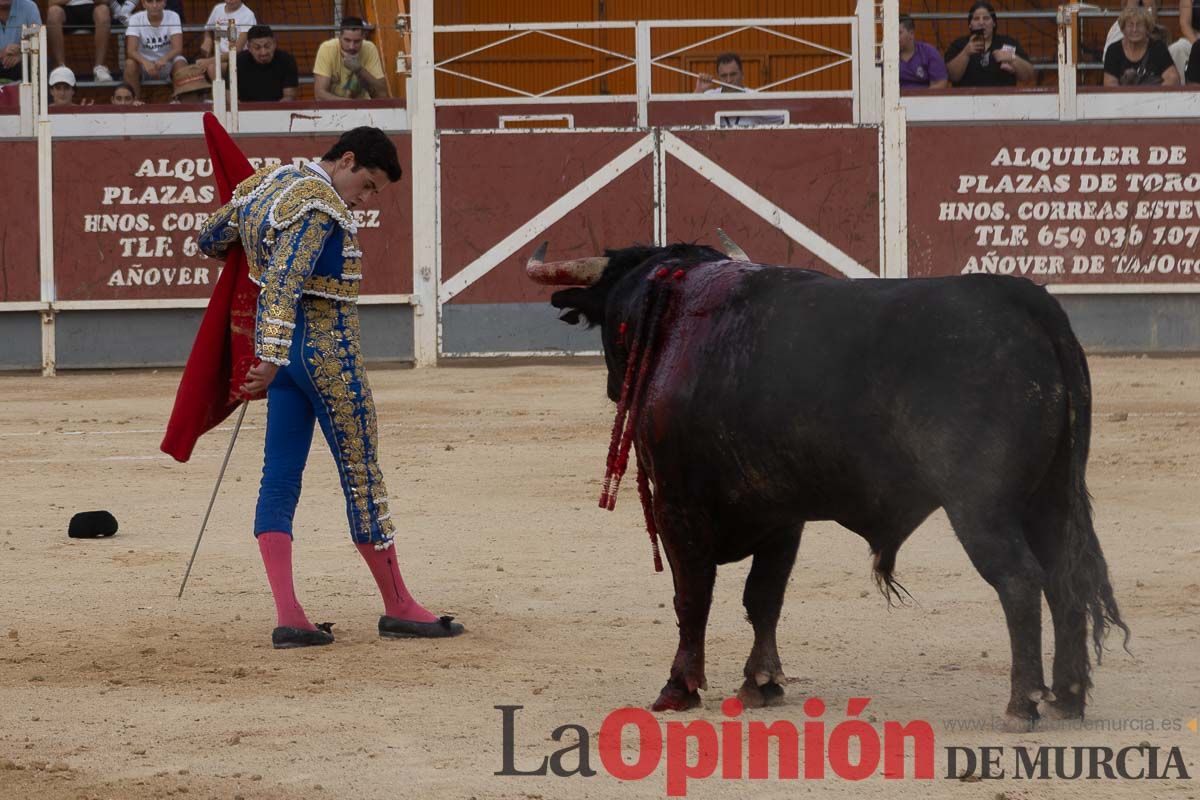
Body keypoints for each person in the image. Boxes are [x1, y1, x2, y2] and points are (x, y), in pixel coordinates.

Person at [197, 127, 463, 648]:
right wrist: (268, 358)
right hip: (327, 355)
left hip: (289, 363)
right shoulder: (320, 206)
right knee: (362, 475)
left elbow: (211, 238)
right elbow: (284, 282)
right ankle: (398, 605)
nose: (364, 199)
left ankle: (290, 614)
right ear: (345, 160)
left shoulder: (269, 182)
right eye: (366, 185)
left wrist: (273, 351)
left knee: (278, 477)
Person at [944, 1, 1034, 87]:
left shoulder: (1008, 42)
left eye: (986, 18)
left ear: (994, 23)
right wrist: (965, 53)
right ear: (970, 25)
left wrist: (1012, 58)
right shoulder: (959, 44)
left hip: (1002, 100)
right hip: (967, 100)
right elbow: (952, 77)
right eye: (976, 19)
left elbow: (1028, 76)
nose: (981, 22)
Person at [313, 17, 389, 100]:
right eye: (347, 40)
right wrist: (352, 105)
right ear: (339, 37)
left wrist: (359, 69)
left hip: (362, 108)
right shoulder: (327, 48)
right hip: (335, 109)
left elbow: (382, 94)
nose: (351, 47)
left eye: (357, 41)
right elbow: (320, 94)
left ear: (363, 38)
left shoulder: (369, 48)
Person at [123, 0, 185, 100]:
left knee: (180, 62)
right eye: (150, 1)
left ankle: (180, 102)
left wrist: (164, 59)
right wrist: (145, 62)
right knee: (130, 64)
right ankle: (135, 103)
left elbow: (177, 48)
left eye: (159, 1)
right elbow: (131, 51)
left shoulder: (173, 16)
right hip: (143, 65)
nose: (155, 5)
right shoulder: (135, 18)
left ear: (165, 2)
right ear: (143, 4)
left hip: (167, 63)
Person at [1104, 4, 1179, 84]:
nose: (1134, 29)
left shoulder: (1158, 47)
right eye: (1130, 25)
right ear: (1123, 29)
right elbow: (1110, 84)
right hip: (1123, 96)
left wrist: (1156, 95)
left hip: (1153, 95)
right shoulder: (1114, 50)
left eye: (1139, 25)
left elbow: (1173, 78)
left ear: (1147, 29)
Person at [46, 0, 113, 82]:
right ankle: (61, 68)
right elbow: (52, 2)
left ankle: (99, 68)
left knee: (103, 10)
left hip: (92, 9)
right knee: (53, 12)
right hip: (66, 11)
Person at [196, 0, 256, 82]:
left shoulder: (248, 15)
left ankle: (223, 94)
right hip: (219, 57)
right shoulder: (218, 9)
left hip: (240, 59)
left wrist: (208, 61)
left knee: (212, 68)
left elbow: (237, 50)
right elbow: (208, 30)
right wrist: (207, 39)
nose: (231, 1)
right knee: (194, 69)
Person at [237, 24, 298, 102]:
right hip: (244, 111)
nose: (263, 52)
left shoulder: (287, 60)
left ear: (275, 44)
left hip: (277, 110)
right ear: (249, 47)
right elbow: (231, 98)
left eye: (267, 46)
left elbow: (289, 96)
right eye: (257, 47)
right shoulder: (238, 62)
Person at [899, 14, 949, 89]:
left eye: (899, 33)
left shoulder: (929, 52)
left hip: (924, 99)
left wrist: (919, 99)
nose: (894, 36)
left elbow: (941, 83)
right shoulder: (884, 55)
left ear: (911, 34)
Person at [0, 0, 41, 84]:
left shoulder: (29, 7)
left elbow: (39, 41)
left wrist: (22, 53)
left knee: (41, 63)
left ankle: (41, 97)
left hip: (21, 62)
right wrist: (2, 53)